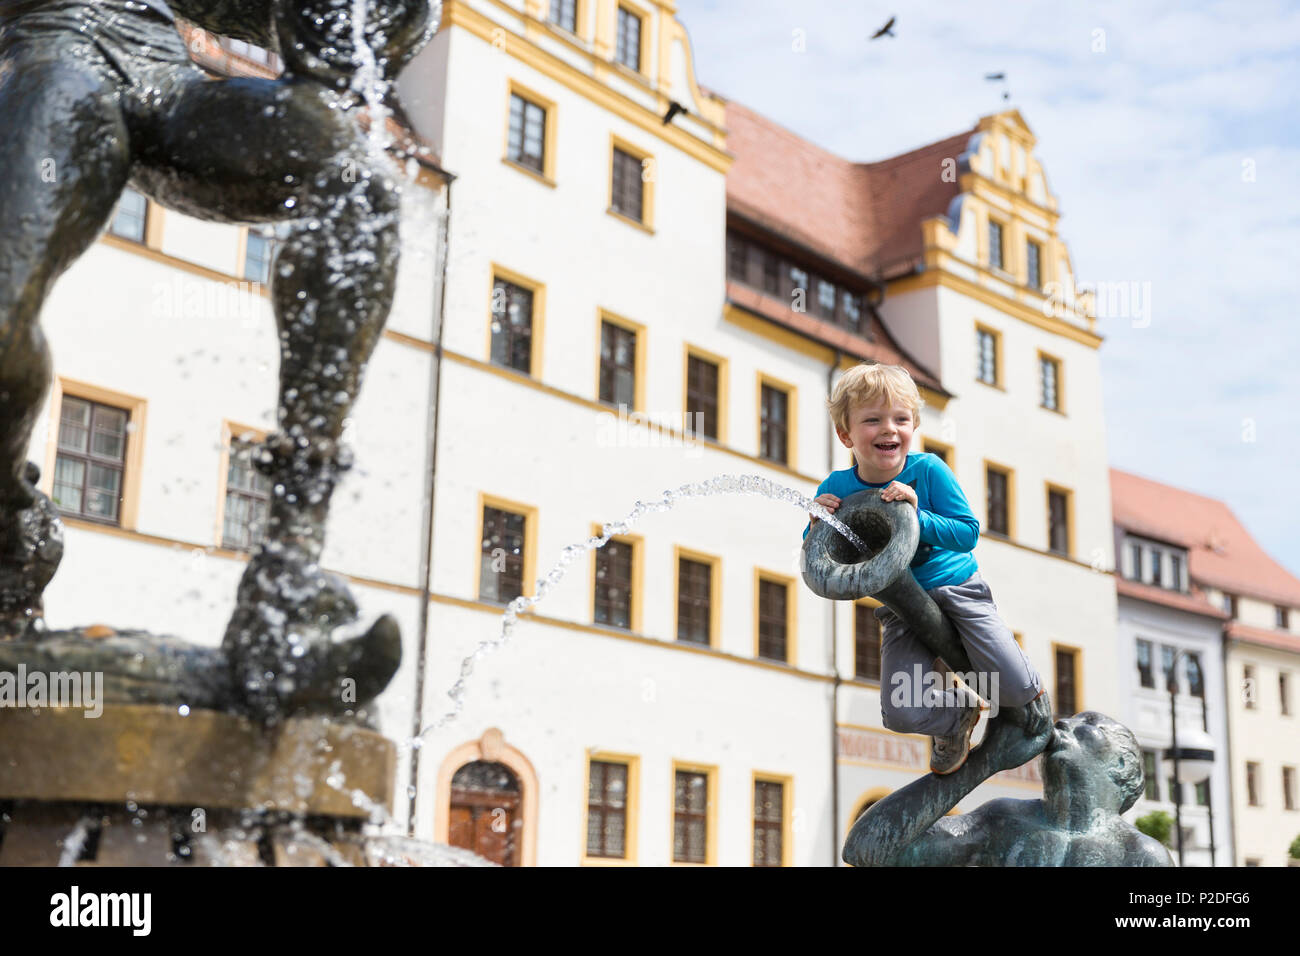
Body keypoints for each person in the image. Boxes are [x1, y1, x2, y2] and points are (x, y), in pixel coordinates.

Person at [0, 0, 432, 718]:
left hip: (166, 73)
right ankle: (11, 533)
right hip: (57, 54)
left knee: (356, 180)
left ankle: (284, 586)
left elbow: (306, 22)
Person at [803, 363, 1048, 773]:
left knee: (1016, 687)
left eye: (900, 418)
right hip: (901, 607)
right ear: (846, 434)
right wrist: (815, 525)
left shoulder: (929, 471)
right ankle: (956, 717)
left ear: (914, 425)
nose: (889, 429)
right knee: (900, 711)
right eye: (872, 420)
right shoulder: (835, 488)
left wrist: (919, 515)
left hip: (956, 588)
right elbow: (821, 558)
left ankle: (1028, 689)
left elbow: (968, 532)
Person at [843, 697, 1174, 866]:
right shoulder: (1001, 822)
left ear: (1121, 764)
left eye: (1089, 724)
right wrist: (984, 762)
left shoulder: (1141, 855)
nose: (1062, 723)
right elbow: (866, 850)